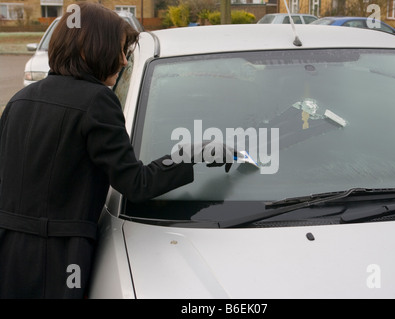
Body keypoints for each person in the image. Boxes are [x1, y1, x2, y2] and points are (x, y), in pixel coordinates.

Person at [0, 2, 231, 299]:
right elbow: (136, 183)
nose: (123, 62)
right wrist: (192, 153)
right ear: (92, 49)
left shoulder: (20, 100)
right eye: (119, 50)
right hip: (58, 258)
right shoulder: (96, 101)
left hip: (8, 252)